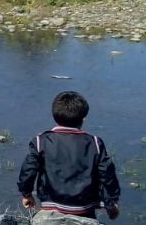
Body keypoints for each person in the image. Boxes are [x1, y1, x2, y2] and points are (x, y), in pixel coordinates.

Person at [18, 91, 120, 222]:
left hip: (51, 205)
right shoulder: (95, 142)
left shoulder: (40, 141)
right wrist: (111, 203)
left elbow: (28, 170)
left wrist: (26, 194)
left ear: (54, 116)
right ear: (83, 119)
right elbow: (107, 175)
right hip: (84, 207)